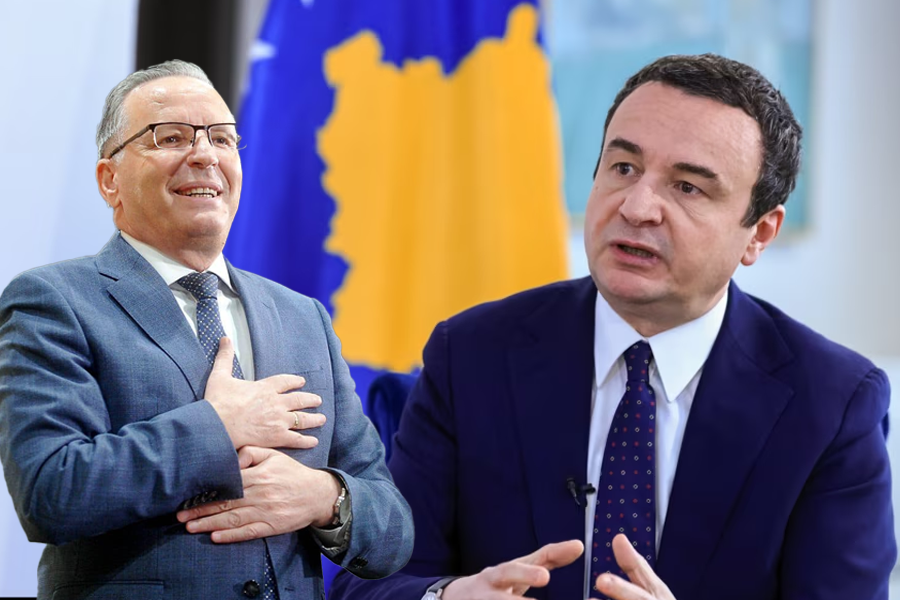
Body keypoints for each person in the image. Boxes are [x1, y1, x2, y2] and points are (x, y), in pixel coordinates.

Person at [329, 53, 896, 600]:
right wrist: (449, 597)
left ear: (760, 234)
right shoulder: (472, 355)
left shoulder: (831, 405)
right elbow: (368, 582)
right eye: (624, 168)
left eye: (688, 187)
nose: (637, 207)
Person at [0, 60, 413, 599]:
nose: (204, 155)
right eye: (170, 137)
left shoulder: (303, 317)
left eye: (222, 138)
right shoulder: (55, 301)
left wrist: (322, 498)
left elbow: (393, 530)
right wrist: (219, 427)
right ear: (109, 180)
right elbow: (50, 491)